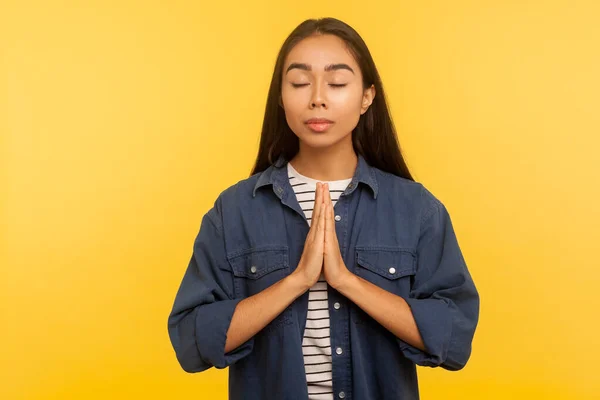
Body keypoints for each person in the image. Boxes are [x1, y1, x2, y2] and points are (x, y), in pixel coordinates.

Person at [167, 17, 480, 400]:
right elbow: (190, 339)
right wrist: (296, 281)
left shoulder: (416, 210)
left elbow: (455, 333)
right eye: (299, 82)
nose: (317, 97)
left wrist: (347, 281)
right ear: (280, 96)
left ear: (367, 96)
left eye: (337, 83)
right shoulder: (234, 212)